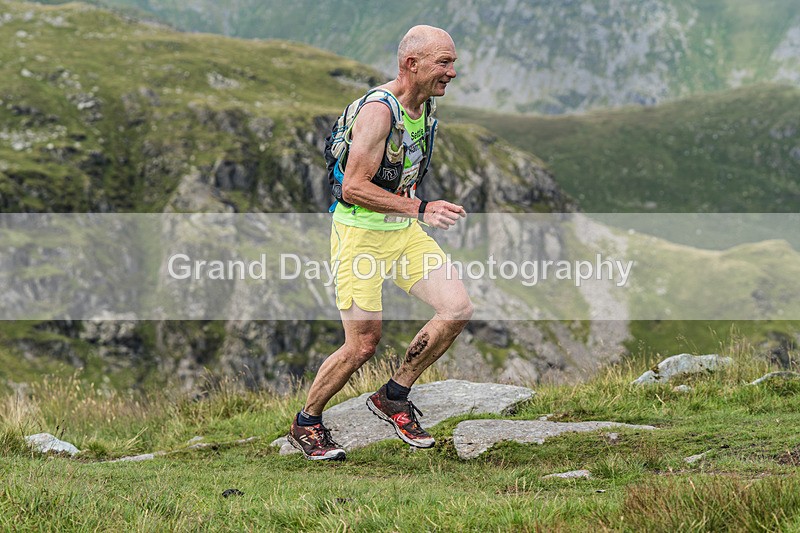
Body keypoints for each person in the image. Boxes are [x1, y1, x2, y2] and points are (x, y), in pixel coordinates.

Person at [287, 25, 473, 460]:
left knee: (457, 309)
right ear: (412, 64)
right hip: (360, 237)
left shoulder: (423, 107)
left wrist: (411, 211)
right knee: (362, 345)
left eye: (453, 63)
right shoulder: (379, 111)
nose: (452, 72)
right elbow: (352, 187)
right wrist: (423, 209)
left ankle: (393, 395)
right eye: (443, 63)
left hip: (401, 233)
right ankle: (307, 421)